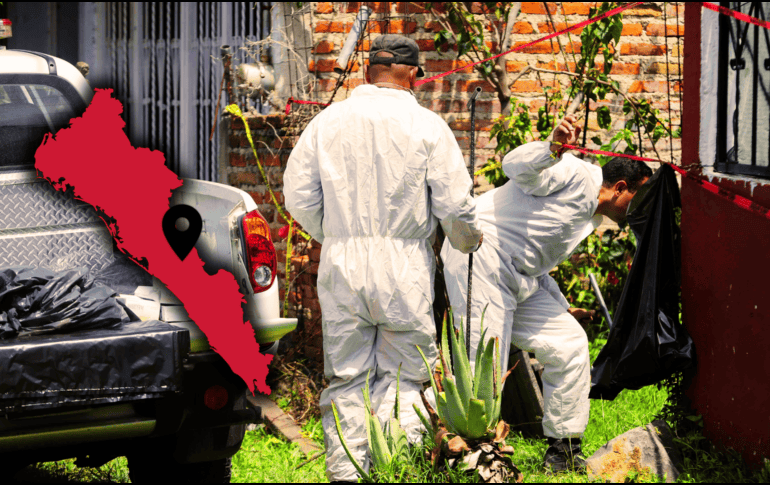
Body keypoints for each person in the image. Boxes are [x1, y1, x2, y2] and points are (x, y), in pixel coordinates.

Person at [284, 34, 483, 482]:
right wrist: (468, 240)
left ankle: (347, 475)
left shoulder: (327, 122)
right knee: (407, 378)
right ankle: (397, 472)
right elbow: (455, 205)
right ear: (413, 74)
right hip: (405, 266)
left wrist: (335, 233)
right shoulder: (429, 126)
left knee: (347, 377)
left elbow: (297, 194)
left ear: (366, 71)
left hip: (342, 263)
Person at [441, 115, 652, 473]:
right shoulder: (574, 173)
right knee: (483, 362)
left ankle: (563, 450)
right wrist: (551, 149)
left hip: (520, 278)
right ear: (619, 187)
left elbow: (535, 260)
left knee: (570, 344)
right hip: (480, 255)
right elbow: (515, 166)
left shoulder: (593, 217)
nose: (640, 208)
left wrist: (562, 307)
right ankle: (465, 454)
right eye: (639, 196)